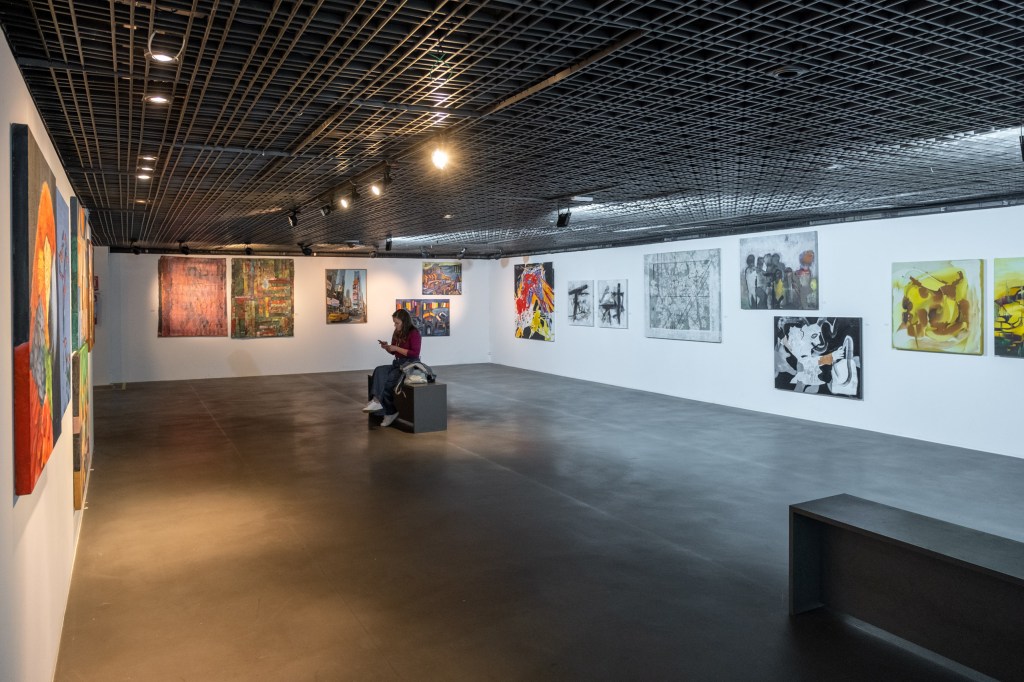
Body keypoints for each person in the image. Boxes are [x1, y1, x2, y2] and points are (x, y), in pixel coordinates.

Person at [363, 309, 422, 427]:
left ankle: (389, 411)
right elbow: (394, 352)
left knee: (387, 382)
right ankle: (377, 401)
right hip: (397, 364)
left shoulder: (414, 333)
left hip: (409, 365)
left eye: (397, 323)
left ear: (404, 322)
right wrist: (387, 347)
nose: (395, 325)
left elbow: (415, 353)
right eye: (394, 323)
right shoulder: (397, 332)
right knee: (379, 370)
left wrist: (396, 348)